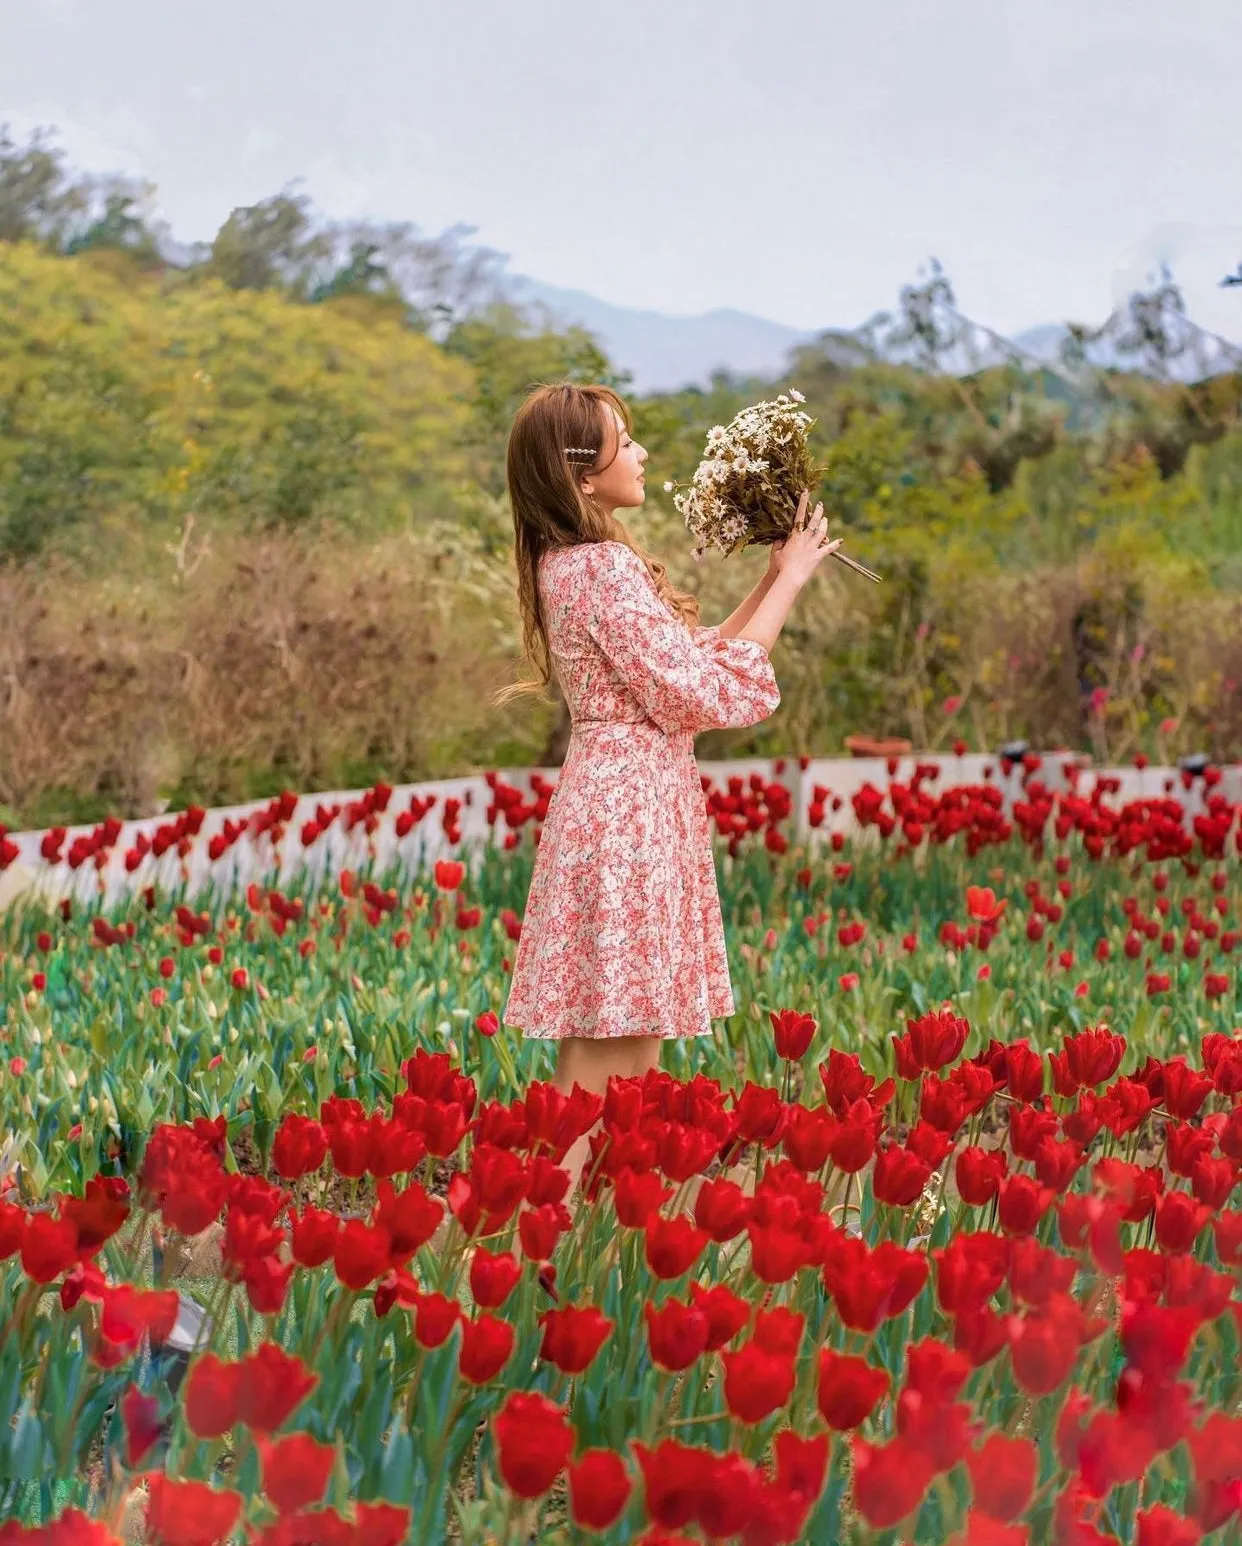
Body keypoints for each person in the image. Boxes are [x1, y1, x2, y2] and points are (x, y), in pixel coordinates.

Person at [493, 382, 843, 1196]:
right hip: (630, 811)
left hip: (616, 801)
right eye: (625, 440)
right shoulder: (604, 568)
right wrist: (790, 584)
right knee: (614, 1057)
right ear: (582, 475)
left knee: (609, 1048)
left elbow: (691, 660)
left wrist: (771, 579)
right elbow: (706, 694)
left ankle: (573, 1238)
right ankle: (562, 1242)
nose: (643, 453)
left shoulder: (569, 566)